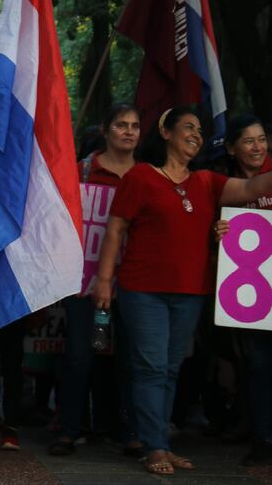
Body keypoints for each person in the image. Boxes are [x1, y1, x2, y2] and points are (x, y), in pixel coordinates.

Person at [93, 106, 272, 475]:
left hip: (190, 292)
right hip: (143, 290)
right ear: (166, 132)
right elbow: (115, 230)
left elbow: (256, 187)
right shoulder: (141, 177)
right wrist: (105, 281)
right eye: (188, 127)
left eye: (200, 131)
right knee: (151, 367)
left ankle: (160, 441)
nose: (196, 134)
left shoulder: (207, 181)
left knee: (171, 369)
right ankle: (154, 447)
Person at [50, 104, 141, 456]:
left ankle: (125, 429)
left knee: (122, 358)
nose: (129, 131)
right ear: (106, 130)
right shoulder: (83, 171)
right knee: (78, 356)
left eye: (135, 126)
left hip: (131, 284)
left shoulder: (145, 176)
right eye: (121, 125)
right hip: (82, 284)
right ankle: (68, 430)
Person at [213, 115, 272, 466]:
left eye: (262, 139)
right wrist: (216, 232)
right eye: (248, 141)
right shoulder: (223, 186)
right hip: (248, 298)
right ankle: (262, 437)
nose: (257, 147)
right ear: (233, 148)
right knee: (257, 364)